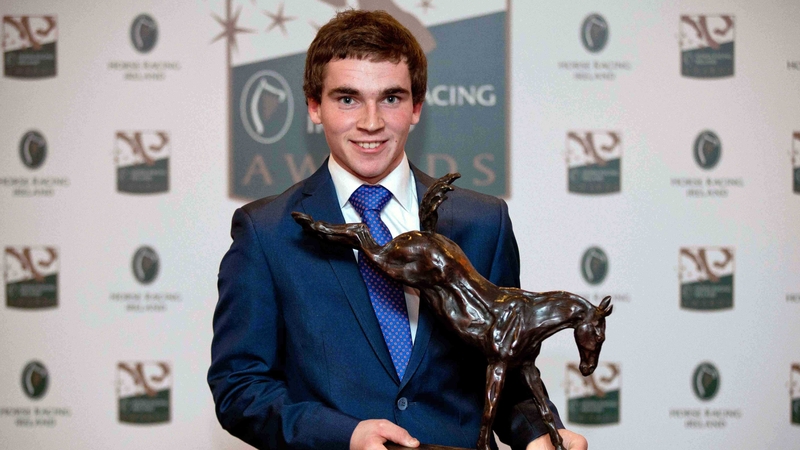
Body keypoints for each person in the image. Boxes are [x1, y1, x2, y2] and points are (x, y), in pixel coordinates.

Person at [208, 9, 587, 450]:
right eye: (347, 99)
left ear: (416, 107)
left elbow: (505, 364)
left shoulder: (482, 222)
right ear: (315, 106)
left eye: (390, 98)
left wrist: (538, 434)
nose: (371, 122)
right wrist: (345, 435)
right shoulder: (267, 232)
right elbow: (240, 388)